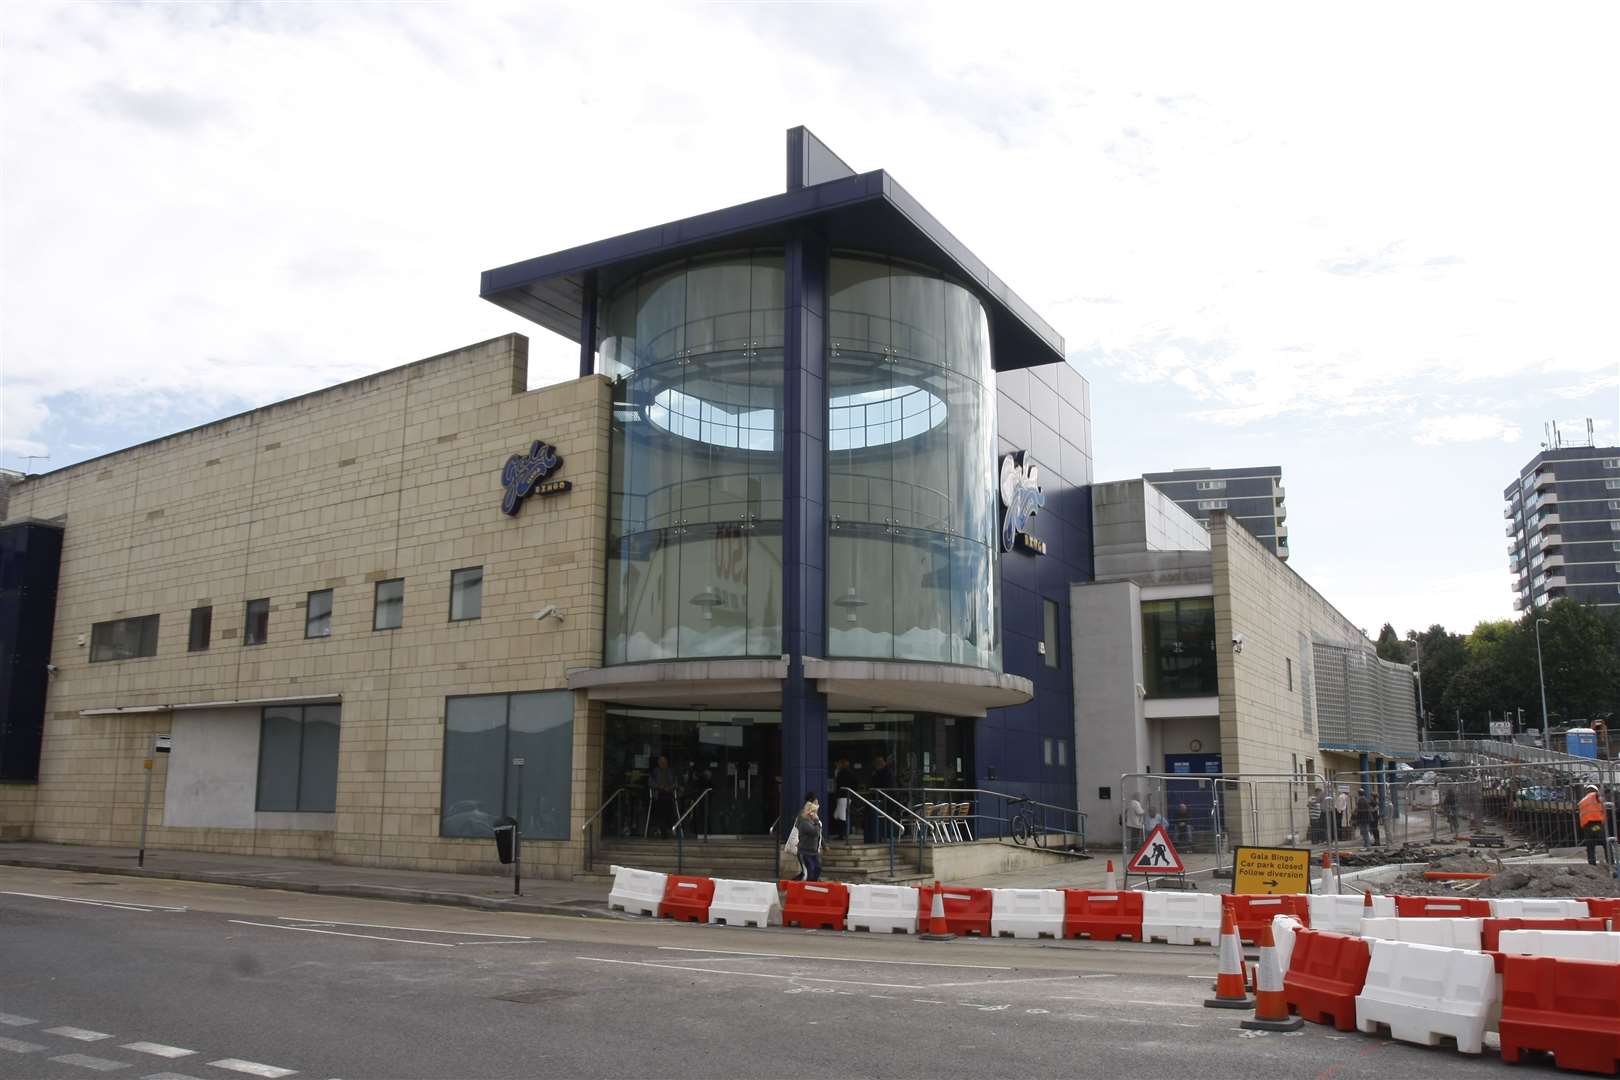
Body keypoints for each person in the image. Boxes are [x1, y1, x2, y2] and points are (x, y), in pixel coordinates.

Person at [795, 795, 825, 882]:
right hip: (805, 852)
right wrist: (817, 821)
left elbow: (819, 833)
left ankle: (812, 887)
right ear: (810, 812)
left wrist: (823, 845)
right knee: (809, 872)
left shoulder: (812, 822)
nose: (816, 814)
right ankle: (800, 888)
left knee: (817, 869)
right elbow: (815, 832)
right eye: (814, 812)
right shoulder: (805, 822)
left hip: (813, 852)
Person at [1579, 784, 1610, 866]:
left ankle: (1592, 865)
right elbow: (1602, 793)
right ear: (1595, 790)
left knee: (1590, 847)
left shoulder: (1582, 801)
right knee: (1606, 842)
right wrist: (1607, 788)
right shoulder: (1593, 796)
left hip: (1586, 828)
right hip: (1595, 825)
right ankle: (1611, 862)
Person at [649, 754, 677, 839]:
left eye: (664, 762)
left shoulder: (671, 771)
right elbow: (650, 782)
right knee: (661, 808)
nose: (663, 764)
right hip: (659, 794)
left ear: (667, 763)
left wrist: (671, 788)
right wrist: (659, 787)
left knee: (669, 808)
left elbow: (676, 782)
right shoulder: (655, 771)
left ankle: (667, 829)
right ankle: (663, 831)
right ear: (658, 763)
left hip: (669, 794)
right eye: (661, 762)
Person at [832, 758, 857, 842]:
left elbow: (837, 782)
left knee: (841, 816)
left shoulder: (842, 773)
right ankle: (844, 833)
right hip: (846, 796)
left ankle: (843, 835)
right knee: (837, 815)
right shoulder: (849, 773)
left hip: (843, 796)